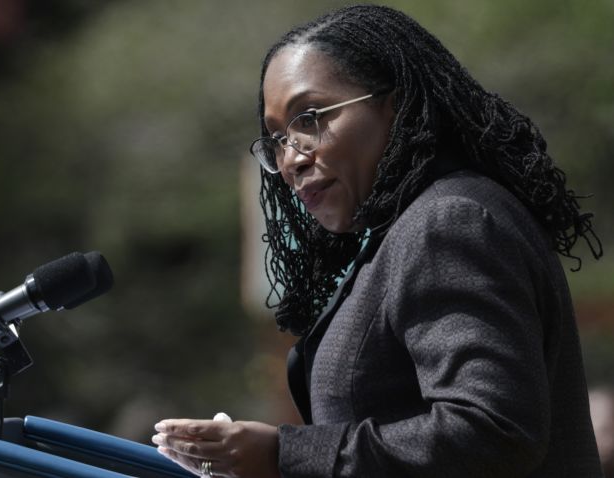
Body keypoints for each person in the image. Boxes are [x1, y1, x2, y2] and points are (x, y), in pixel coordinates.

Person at [151, 4, 604, 477]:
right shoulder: (400, 233)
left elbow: (493, 432)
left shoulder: (450, 222)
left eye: (309, 118)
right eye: (278, 139)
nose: (290, 160)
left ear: (396, 104)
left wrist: (284, 455)